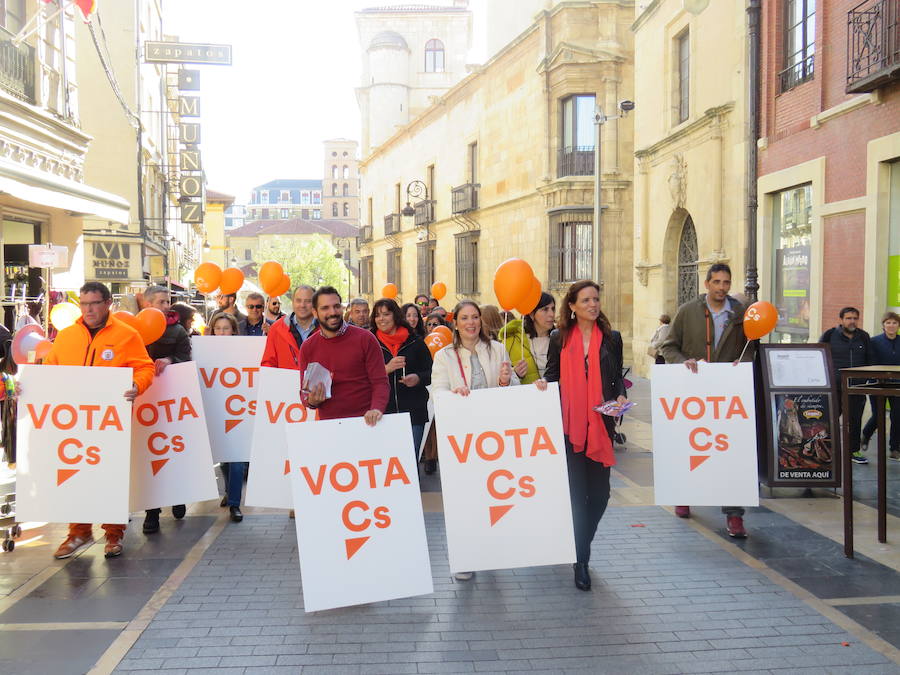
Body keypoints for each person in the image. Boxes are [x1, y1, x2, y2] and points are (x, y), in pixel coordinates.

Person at [45, 282, 155, 559]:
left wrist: (137, 385)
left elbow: (145, 367)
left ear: (107, 303)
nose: (89, 309)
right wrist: (31, 387)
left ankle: (113, 533)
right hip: (73, 420)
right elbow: (49, 371)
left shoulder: (127, 335)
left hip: (110, 420)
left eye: (94, 303)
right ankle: (78, 531)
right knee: (76, 474)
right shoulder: (67, 335)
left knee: (110, 476)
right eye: (84, 303)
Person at [535, 281, 626, 591]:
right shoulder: (560, 338)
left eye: (596, 299)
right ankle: (581, 560)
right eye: (585, 300)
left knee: (600, 496)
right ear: (571, 306)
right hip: (569, 429)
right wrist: (541, 385)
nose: (593, 304)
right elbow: (552, 376)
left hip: (601, 427)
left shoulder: (612, 338)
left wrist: (622, 397)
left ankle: (577, 545)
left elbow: (616, 380)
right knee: (577, 498)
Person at [659, 263, 751, 538]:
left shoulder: (740, 312)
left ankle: (735, 515)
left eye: (726, 282)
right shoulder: (688, 312)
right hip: (694, 390)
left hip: (727, 393)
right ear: (707, 284)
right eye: (717, 282)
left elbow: (751, 347)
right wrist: (683, 361)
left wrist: (742, 362)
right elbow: (668, 347)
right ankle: (684, 495)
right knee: (690, 445)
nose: (722, 287)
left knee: (731, 453)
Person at [431, 300, 519, 581]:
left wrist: (507, 381)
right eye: (465, 318)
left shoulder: (498, 349)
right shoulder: (444, 356)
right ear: (455, 322)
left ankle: (490, 549)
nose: (471, 323)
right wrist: (452, 394)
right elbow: (437, 393)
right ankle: (465, 556)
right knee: (463, 499)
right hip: (461, 438)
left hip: (492, 436)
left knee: (490, 495)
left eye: (475, 317)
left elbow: (513, 390)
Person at [141, 286, 192, 535]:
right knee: (148, 456)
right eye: (161, 301)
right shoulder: (134, 329)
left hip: (171, 401)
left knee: (171, 449)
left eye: (167, 301)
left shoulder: (178, 330)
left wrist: (170, 361)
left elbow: (186, 356)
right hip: (143, 400)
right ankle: (151, 512)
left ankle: (177, 495)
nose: (165, 306)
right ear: (147, 303)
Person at [300, 286, 389, 424]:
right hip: (330, 427)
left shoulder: (366, 339)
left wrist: (376, 409)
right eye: (325, 308)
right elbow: (304, 394)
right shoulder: (308, 347)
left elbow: (380, 382)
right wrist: (312, 401)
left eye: (336, 306)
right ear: (315, 312)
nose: (333, 312)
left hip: (366, 424)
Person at [371, 299, 432, 460]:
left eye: (386, 314)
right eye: (377, 315)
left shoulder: (415, 342)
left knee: (410, 463)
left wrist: (418, 378)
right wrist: (386, 369)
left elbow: (431, 372)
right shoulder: (369, 343)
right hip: (381, 414)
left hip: (413, 413)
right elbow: (360, 377)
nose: (381, 319)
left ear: (396, 316)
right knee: (387, 465)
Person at [820, 307, 872, 464]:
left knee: (855, 421)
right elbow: (819, 355)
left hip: (857, 387)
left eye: (855, 318)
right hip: (834, 386)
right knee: (830, 420)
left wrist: (867, 379)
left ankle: (853, 451)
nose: (852, 321)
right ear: (841, 320)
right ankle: (826, 450)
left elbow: (870, 358)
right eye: (849, 318)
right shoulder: (829, 335)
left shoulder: (863, 336)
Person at [209, 312, 246, 522]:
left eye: (226, 328)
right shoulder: (204, 352)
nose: (222, 332)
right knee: (224, 458)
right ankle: (228, 493)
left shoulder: (243, 351)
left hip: (238, 411)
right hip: (216, 411)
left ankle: (234, 503)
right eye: (218, 328)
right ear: (213, 331)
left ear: (233, 330)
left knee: (237, 459)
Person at [861, 311, 900, 461]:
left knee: (897, 416)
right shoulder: (874, 341)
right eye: (888, 322)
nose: (891, 325)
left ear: (898, 325)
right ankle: (866, 434)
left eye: (894, 323)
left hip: (897, 384)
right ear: (883, 325)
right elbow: (870, 361)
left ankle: (895, 448)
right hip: (878, 384)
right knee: (879, 416)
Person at [499, 292, 556, 384]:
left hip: (556, 396)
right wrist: (515, 373)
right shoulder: (512, 341)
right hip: (526, 396)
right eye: (545, 309)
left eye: (553, 309)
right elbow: (500, 376)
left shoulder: (561, 338)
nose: (551, 314)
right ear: (532, 314)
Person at [261, 285, 317, 370]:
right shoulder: (276, 328)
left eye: (308, 301)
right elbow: (268, 364)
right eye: (298, 300)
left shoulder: (326, 329)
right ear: (292, 302)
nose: (302, 305)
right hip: (284, 382)